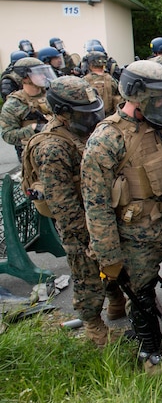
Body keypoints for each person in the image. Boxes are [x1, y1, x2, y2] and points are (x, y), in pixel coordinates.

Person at [81, 60, 162, 373]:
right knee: (141, 294)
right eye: (160, 97)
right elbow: (97, 204)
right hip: (136, 236)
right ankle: (150, 350)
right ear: (138, 96)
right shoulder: (107, 140)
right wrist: (109, 256)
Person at [24, 76, 125, 346]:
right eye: (83, 114)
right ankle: (94, 327)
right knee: (87, 275)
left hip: (99, 214)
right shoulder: (53, 148)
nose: (91, 118)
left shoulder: (82, 132)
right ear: (63, 113)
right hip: (78, 223)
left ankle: (116, 303)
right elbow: (63, 204)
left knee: (112, 265)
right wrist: (88, 236)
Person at [0, 57, 56, 162]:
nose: (43, 76)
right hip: (34, 155)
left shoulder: (52, 95)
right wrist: (33, 128)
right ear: (25, 78)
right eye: (38, 73)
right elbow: (8, 135)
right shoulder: (13, 104)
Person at [82, 49, 122, 116]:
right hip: (109, 118)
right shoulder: (111, 80)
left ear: (90, 64)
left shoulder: (84, 81)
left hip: (90, 117)